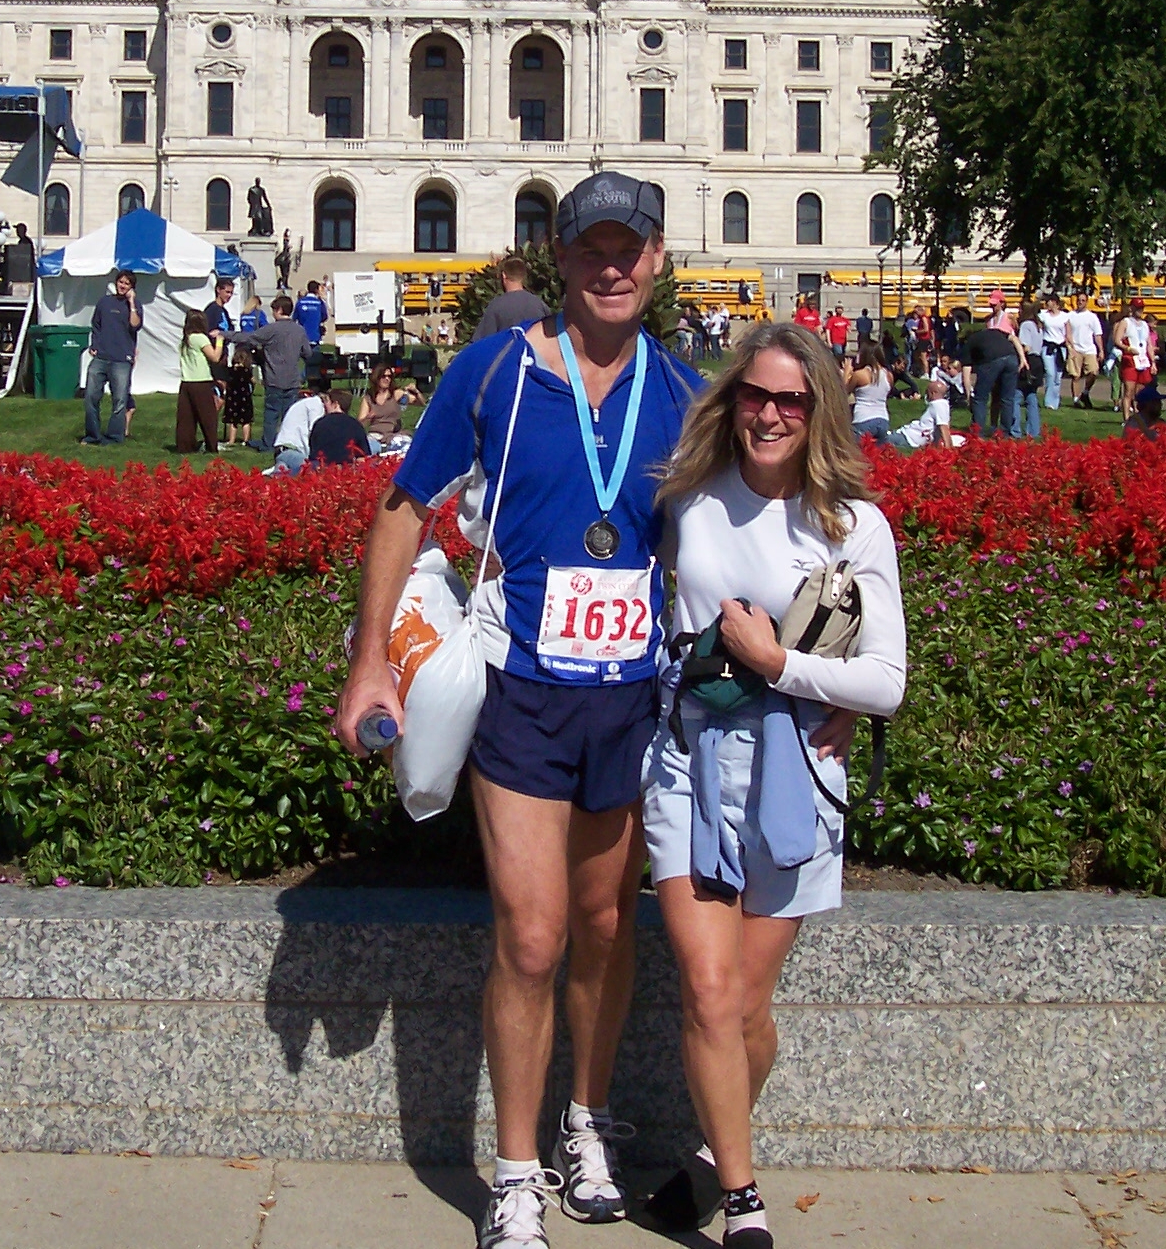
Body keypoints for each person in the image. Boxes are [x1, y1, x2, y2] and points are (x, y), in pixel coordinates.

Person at [337, 171, 702, 1249]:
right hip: (523, 692)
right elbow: (404, 508)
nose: (611, 268)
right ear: (560, 259)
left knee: (605, 925)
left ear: (657, 258)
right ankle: (512, 1172)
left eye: (629, 249)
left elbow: (735, 530)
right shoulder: (493, 370)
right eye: (592, 249)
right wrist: (369, 663)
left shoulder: (684, 393)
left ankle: (587, 1123)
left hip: (627, 700)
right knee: (533, 938)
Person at [640, 323, 905, 1244]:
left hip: (795, 772)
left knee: (748, 1008)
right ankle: (745, 1201)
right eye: (755, 394)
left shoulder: (852, 526)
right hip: (689, 765)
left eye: (791, 399)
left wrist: (782, 666)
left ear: (818, 409)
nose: (770, 414)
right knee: (710, 993)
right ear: (732, 399)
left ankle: (710, 1160)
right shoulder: (686, 498)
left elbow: (885, 681)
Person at [228, 295, 311, 450]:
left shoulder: (271, 329)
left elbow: (249, 337)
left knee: (272, 414)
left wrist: (225, 334)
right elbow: (307, 353)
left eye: (273, 310)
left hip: (274, 378)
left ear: (279, 310)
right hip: (293, 379)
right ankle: (288, 442)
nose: (272, 314)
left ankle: (268, 444)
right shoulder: (299, 330)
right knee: (289, 414)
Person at [83, 270, 141, 446]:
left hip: (122, 359)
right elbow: (96, 325)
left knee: (120, 400)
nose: (123, 286)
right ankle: (92, 435)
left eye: (127, 284)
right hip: (101, 357)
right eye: (121, 282)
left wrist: (131, 302)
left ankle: (114, 437)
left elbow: (135, 325)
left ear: (132, 287)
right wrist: (94, 345)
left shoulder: (135, 305)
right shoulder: (104, 302)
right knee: (91, 397)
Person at [964, 317, 1024, 439]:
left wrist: (969, 394)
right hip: (1012, 358)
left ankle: (978, 433)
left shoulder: (971, 341)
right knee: (1007, 398)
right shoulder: (997, 332)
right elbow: (1014, 339)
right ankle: (1005, 433)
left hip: (991, 360)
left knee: (980, 398)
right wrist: (1023, 358)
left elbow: (966, 371)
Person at [175, 310, 222, 453]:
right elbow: (214, 357)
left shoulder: (185, 340)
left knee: (186, 418)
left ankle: (185, 446)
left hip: (186, 382)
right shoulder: (200, 338)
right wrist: (220, 341)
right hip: (201, 382)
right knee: (208, 417)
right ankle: (211, 446)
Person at [473, 255, 550, 340]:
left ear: (504, 275)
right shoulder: (539, 304)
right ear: (523, 276)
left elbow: (481, 341)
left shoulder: (496, 306)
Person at [891, 361, 962, 449]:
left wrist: (948, 451)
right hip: (910, 434)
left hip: (908, 437)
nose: (926, 395)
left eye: (927, 392)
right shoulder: (944, 405)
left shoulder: (938, 405)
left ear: (933, 393)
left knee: (879, 440)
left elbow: (944, 428)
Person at [357, 363, 423, 455]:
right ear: (377, 378)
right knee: (364, 449)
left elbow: (420, 403)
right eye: (383, 376)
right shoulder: (369, 398)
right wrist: (368, 417)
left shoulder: (396, 394)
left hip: (394, 435)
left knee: (407, 447)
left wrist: (416, 391)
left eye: (389, 376)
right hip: (375, 436)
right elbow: (359, 425)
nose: (387, 379)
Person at [267, 385, 328, 474]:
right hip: (293, 451)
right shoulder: (317, 405)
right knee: (315, 471)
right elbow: (315, 430)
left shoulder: (306, 403)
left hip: (283, 449)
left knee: (283, 476)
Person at [308, 387, 373, 466]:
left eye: (327, 402)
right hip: (348, 468)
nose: (324, 405)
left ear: (335, 404)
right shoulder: (355, 425)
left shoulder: (320, 424)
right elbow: (364, 456)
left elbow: (313, 451)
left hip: (323, 467)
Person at [845, 339, 894, 445]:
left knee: (856, 452)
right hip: (883, 419)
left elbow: (843, 393)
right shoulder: (888, 375)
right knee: (879, 454)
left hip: (863, 418)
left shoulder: (860, 374)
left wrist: (846, 372)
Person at [1115, 297, 1154, 425]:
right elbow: (1117, 340)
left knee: (1140, 392)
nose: (1140, 310)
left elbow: (1149, 344)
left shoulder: (1145, 325)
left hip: (1143, 360)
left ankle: (1139, 417)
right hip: (1130, 360)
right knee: (1129, 390)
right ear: (1132, 308)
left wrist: (1153, 362)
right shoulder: (1125, 322)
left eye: (1141, 308)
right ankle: (1126, 419)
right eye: (1137, 308)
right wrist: (1127, 348)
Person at [1065, 293, 1104, 409]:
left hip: (1089, 349)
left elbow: (1097, 334)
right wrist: (1070, 347)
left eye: (1083, 300)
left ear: (1086, 302)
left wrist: (1101, 350)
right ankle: (1076, 399)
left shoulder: (1092, 317)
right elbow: (1066, 333)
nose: (1080, 302)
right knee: (1075, 376)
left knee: (1093, 372)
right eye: (1079, 300)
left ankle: (1085, 392)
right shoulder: (1070, 315)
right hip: (1075, 348)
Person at [1016, 301, 1046, 439]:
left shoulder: (1026, 325)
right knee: (1031, 396)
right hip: (1038, 360)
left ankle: (1015, 429)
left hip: (1028, 361)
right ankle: (1033, 431)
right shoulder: (1037, 325)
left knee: (1016, 395)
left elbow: (1026, 346)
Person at [1038, 294, 1069, 410]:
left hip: (1061, 348)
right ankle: (1048, 401)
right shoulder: (1043, 316)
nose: (1047, 304)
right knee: (1050, 373)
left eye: (1049, 301)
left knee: (1057, 376)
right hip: (1048, 347)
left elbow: (1068, 334)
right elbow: (1039, 330)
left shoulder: (1065, 316)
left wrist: (1071, 348)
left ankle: (1055, 402)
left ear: (1055, 302)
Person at [222, 341, 256, 447]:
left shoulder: (231, 371)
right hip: (245, 399)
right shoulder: (247, 371)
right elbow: (253, 381)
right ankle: (246, 440)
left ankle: (231, 440)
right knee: (246, 421)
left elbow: (226, 382)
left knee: (233, 421)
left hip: (232, 399)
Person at [293, 279, 328, 352]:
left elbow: (294, 318)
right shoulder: (319, 303)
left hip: (302, 336)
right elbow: (324, 316)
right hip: (315, 336)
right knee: (315, 357)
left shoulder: (300, 302)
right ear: (316, 290)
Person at [4, 223, 36, 297]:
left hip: (25, 270)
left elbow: (24, 254)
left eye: (18, 230)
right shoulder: (21, 241)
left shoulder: (26, 241)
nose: (17, 232)